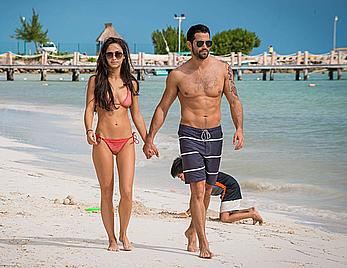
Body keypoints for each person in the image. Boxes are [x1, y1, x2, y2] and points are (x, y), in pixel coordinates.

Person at [143, 24, 244, 259]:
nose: (205, 47)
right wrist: (150, 138)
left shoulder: (222, 70)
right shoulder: (177, 75)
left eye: (208, 43)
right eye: (200, 43)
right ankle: (203, 243)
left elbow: (234, 100)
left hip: (215, 135)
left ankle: (191, 230)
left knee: (208, 190)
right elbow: (162, 108)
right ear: (190, 45)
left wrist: (239, 128)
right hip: (189, 134)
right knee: (197, 189)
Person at [84, 37, 147, 252]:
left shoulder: (132, 83)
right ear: (104, 56)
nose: (114, 58)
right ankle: (111, 238)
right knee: (107, 191)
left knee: (127, 192)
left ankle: (123, 233)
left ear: (124, 57)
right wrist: (89, 130)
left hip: (126, 141)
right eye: (110, 54)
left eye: (118, 54)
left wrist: (148, 139)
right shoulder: (95, 81)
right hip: (102, 140)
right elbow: (89, 109)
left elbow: (136, 115)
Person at [171, 157, 263, 225]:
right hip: (229, 186)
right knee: (230, 213)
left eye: (180, 176)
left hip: (230, 188)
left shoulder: (200, 179)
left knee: (225, 218)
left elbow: (199, 198)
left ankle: (252, 214)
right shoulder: (196, 177)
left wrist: (187, 213)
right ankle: (250, 210)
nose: (181, 179)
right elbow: (196, 198)